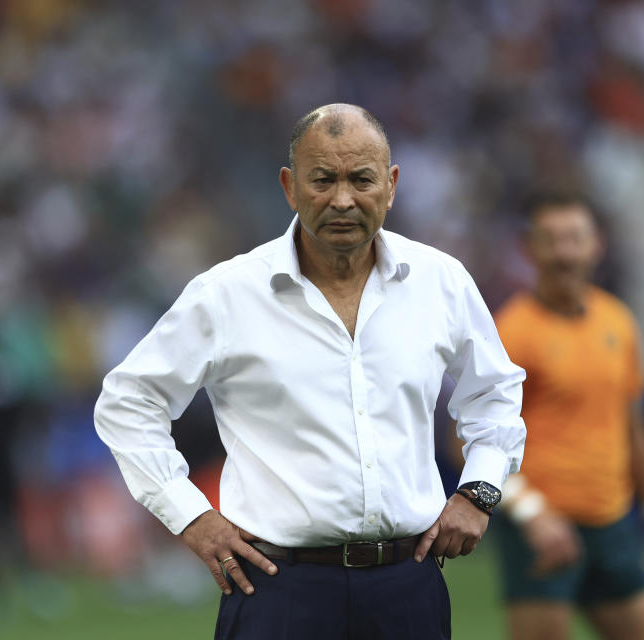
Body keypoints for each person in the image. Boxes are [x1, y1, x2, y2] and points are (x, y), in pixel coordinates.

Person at [93, 103, 528, 640]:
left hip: (407, 587)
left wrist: (478, 490)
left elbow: (495, 390)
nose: (342, 198)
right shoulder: (228, 293)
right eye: (322, 179)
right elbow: (127, 401)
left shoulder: (441, 282)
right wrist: (191, 516)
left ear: (390, 186)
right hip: (277, 589)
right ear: (289, 187)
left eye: (361, 179)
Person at [492, 191, 644, 640]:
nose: (564, 252)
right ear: (530, 248)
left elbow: (633, 428)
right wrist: (531, 512)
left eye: (574, 238)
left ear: (596, 244)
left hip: (613, 521)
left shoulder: (617, 321)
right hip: (541, 529)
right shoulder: (511, 332)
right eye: (552, 240)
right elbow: (465, 439)